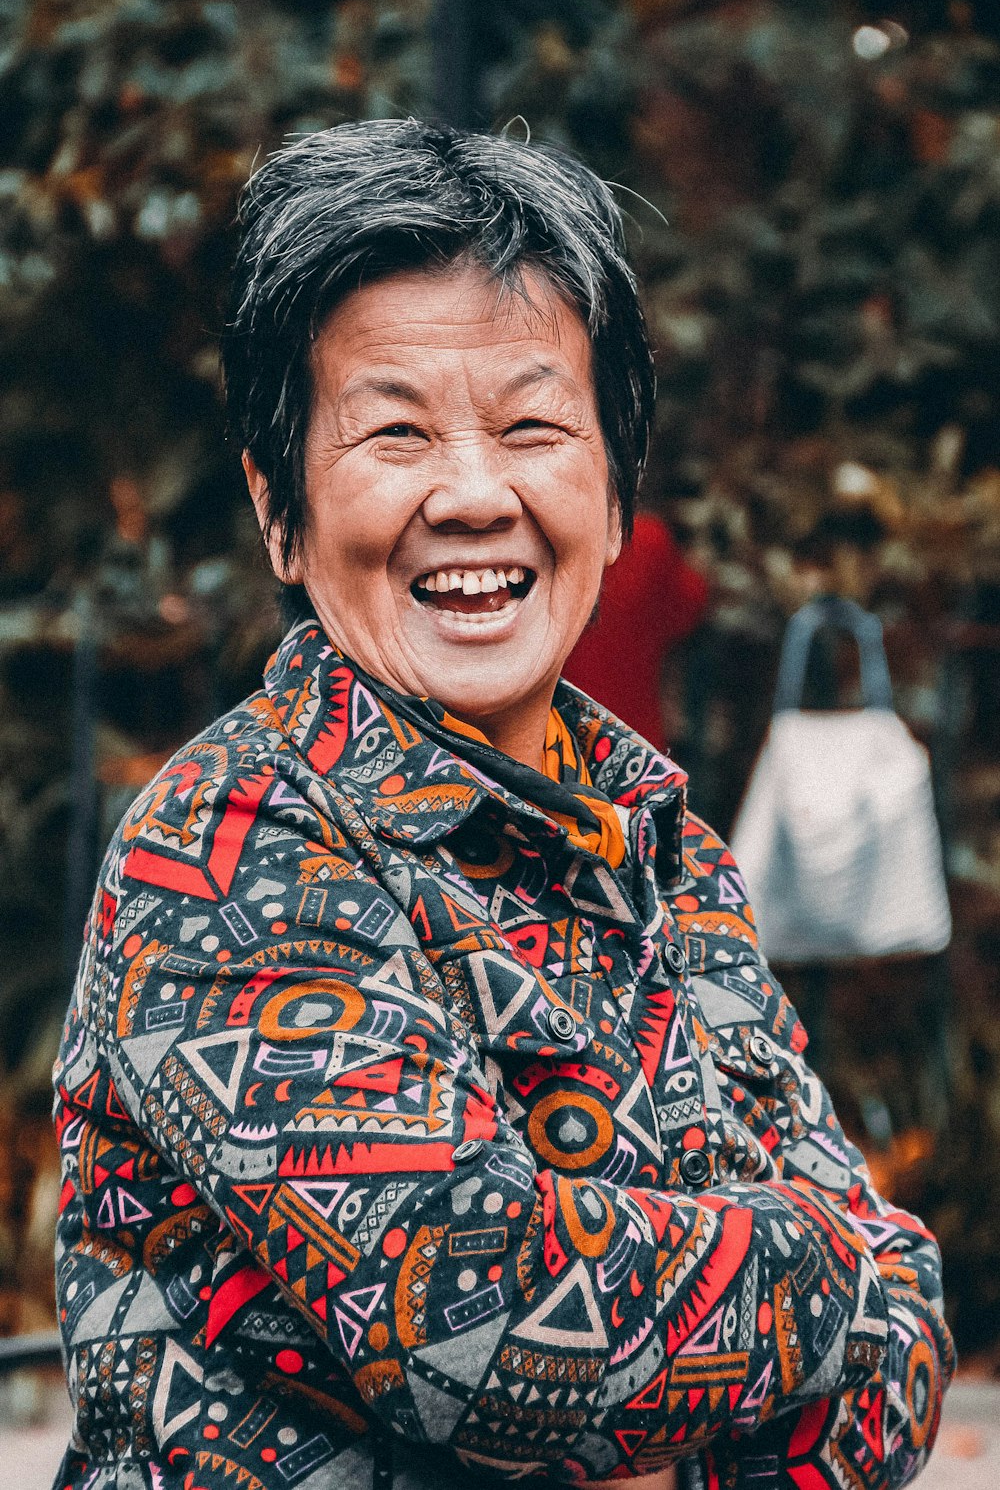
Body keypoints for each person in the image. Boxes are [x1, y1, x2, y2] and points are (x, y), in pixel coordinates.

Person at [53, 120, 953, 1490]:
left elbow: (912, 1343)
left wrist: (691, 1418)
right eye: (394, 433)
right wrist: (843, 1267)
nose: (474, 495)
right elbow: (485, 1338)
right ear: (279, 512)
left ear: (612, 494)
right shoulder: (227, 849)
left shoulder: (662, 847)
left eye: (534, 426)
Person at [562, 510, 709, 753]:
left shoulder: (558, 531)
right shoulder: (650, 539)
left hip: (561, 718)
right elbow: (687, 610)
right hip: (632, 721)